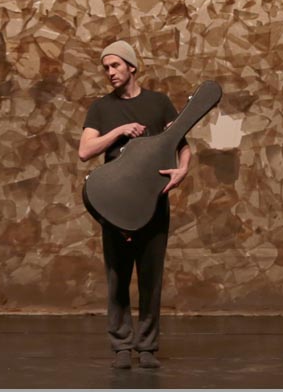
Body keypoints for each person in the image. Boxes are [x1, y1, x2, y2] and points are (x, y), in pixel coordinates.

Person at [78, 40, 191, 369]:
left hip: (153, 203)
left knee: (150, 278)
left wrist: (182, 170)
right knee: (118, 277)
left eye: (115, 65)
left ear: (131, 66)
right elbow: (85, 151)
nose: (110, 72)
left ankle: (147, 347)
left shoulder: (158, 103)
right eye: (106, 68)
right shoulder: (101, 108)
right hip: (115, 206)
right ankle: (122, 347)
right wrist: (119, 131)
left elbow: (181, 144)